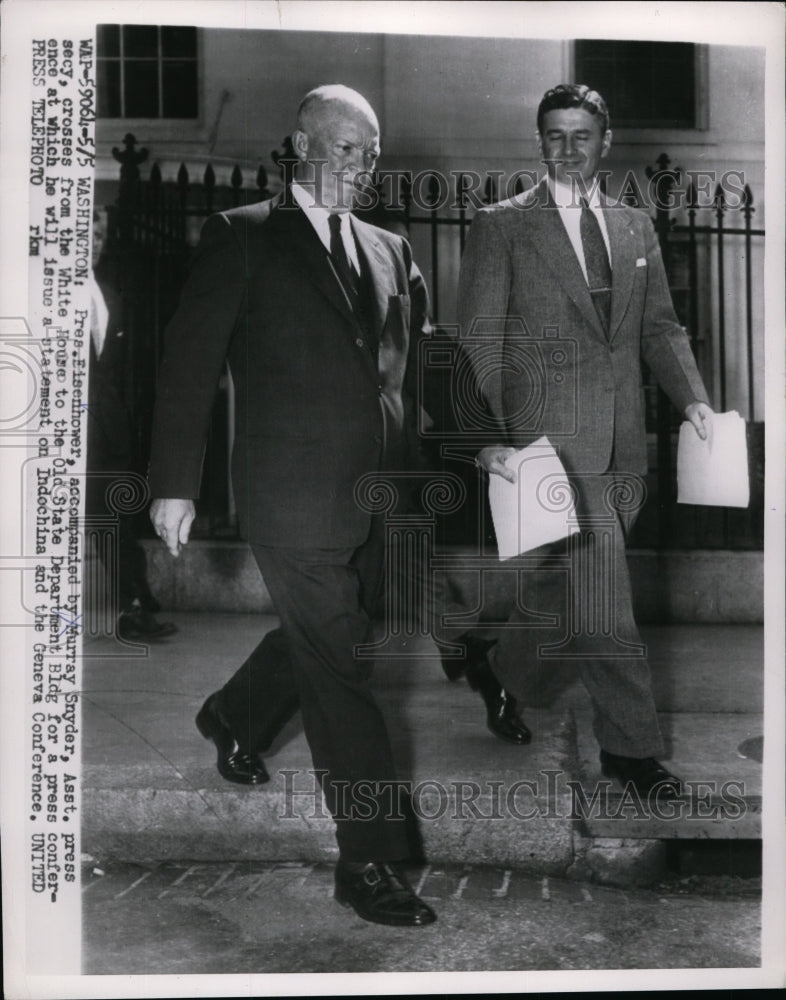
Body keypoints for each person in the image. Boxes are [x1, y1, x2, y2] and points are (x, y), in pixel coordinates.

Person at [147, 85, 447, 926]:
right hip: (289, 494)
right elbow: (188, 363)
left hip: (382, 495)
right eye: (345, 148)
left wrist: (488, 443)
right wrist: (174, 482)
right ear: (301, 145)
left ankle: (233, 715)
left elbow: (425, 367)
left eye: (372, 151)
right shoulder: (243, 236)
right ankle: (371, 863)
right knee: (345, 667)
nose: (361, 166)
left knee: (335, 635)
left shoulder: (392, 249)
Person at [442, 84, 713, 799]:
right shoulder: (503, 225)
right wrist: (488, 439)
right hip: (548, 443)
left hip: (624, 442)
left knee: (573, 591)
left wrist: (694, 403)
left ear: (606, 141)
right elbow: (478, 336)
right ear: (540, 142)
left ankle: (495, 664)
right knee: (604, 600)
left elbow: (659, 329)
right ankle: (630, 751)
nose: (567, 149)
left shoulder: (634, 225)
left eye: (581, 135)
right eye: (553, 136)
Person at [86, 209, 177, 642]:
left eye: (100, 234)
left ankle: (133, 602)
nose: (95, 242)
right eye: (86, 232)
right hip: (70, 432)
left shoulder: (105, 293)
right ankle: (134, 599)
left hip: (106, 430)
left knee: (115, 519)